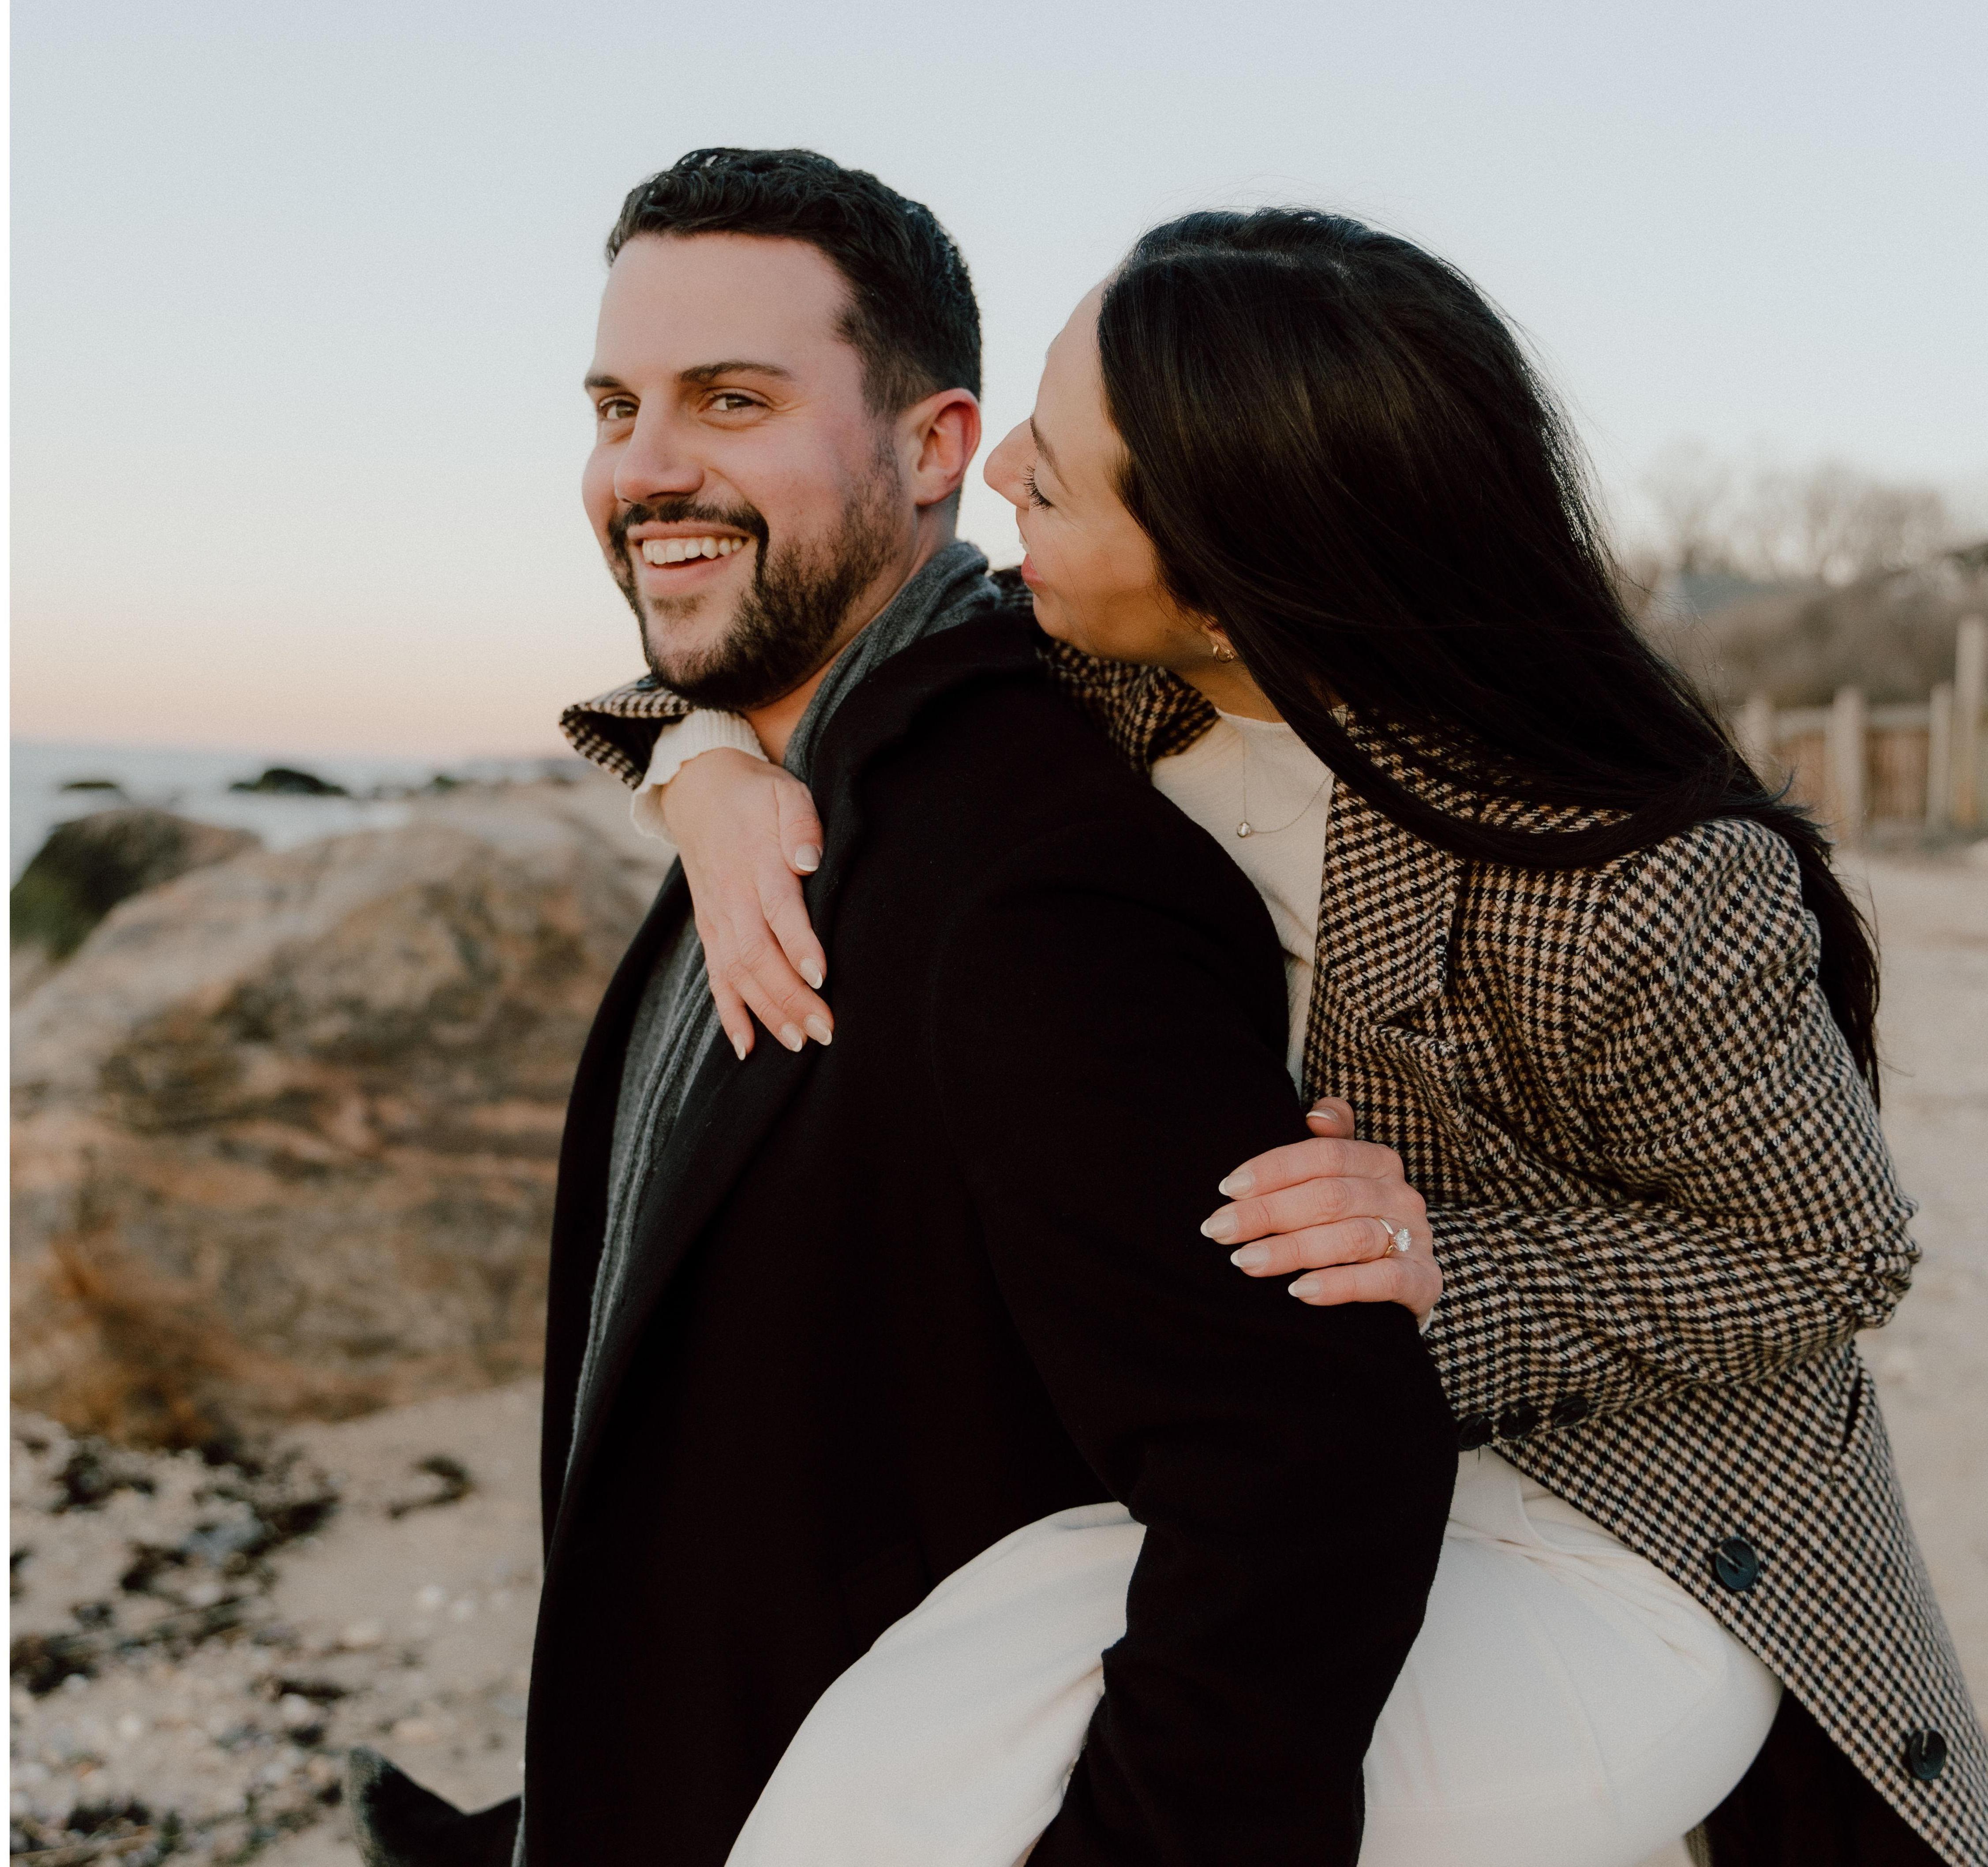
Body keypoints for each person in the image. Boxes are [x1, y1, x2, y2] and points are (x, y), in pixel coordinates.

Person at [631, 211, 1986, 1864]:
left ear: (1222, 564)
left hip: (1633, 1535)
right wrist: (702, 772)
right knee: (872, 1767)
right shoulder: (1090, 689)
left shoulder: (1634, 881)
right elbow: (760, 644)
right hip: (1275, 1478)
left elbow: (1822, 1255)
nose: (1000, 491)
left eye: (1052, 475)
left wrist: (1433, 1263)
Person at [347, 151, 1457, 1867]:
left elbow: (1309, 1476)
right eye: (615, 403)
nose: (646, 465)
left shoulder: (1030, 866)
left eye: (732, 398)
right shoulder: (770, 771)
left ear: (937, 447)